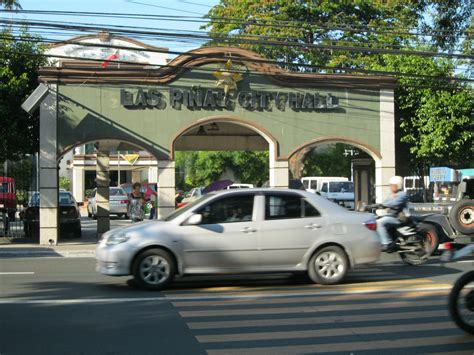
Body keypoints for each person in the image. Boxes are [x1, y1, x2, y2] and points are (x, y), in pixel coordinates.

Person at [377, 176, 409, 252]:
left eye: (392, 185)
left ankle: (388, 243)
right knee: (377, 218)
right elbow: (385, 203)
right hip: (392, 216)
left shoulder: (402, 194)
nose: (391, 187)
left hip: (399, 218)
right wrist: (372, 206)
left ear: (398, 185)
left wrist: (383, 205)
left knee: (379, 223)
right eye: (390, 185)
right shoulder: (392, 194)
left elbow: (393, 203)